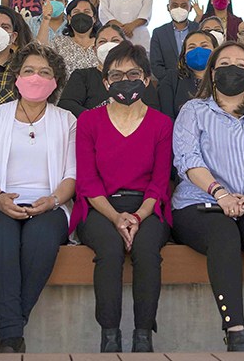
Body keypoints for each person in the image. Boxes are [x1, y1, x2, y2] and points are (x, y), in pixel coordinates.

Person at [171, 41, 244, 352]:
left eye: (239, 65)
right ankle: (236, 334)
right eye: (223, 64)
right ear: (212, 73)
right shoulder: (194, 111)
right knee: (224, 236)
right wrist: (220, 194)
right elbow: (187, 158)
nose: (231, 70)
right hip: (200, 203)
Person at [0, 43, 77, 354]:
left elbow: (72, 175)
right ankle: (13, 337)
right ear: (16, 76)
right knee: (1, 240)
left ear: (56, 81)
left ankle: (9, 335)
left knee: (40, 239)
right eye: (28, 71)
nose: (35, 78)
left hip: (51, 205)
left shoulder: (67, 120)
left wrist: (53, 201)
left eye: (44, 72)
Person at [71, 42, 173, 352]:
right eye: (116, 75)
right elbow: (87, 181)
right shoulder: (89, 121)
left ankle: (143, 337)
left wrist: (138, 216)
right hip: (100, 207)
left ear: (146, 79)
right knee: (110, 249)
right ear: (105, 82)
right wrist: (116, 218)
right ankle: (110, 338)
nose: (124, 81)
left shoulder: (161, 124)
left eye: (133, 74)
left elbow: (159, 182)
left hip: (147, 207)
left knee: (146, 250)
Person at [60, 25, 160, 117]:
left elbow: (152, 108)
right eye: (102, 42)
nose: (108, 45)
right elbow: (67, 104)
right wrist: (96, 120)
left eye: (115, 40)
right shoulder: (82, 76)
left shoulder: (137, 76)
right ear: (94, 49)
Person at [159, 31, 218, 121]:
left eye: (204, 46)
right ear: (184, 56)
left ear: (216, 52)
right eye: (192, 47)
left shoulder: (223, 78)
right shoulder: (171, 79)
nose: (198, 51)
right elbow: (166, 117)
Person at [149, 0, 199, 81]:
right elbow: (156, 65)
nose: (179, 9)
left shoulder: (199, 29)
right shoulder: (159, 33)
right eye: (175, 5)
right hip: (168, 84)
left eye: (183, 6)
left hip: (197, 82)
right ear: (168, 7)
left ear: (190, 8)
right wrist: (173, 80)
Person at [49, 0, 100, 81]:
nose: (81, 16)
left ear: (94, 18)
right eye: (76, 12)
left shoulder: (102, 43)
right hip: (66, 89)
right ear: (69, 18)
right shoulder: (58, 43)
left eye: (86, 12)